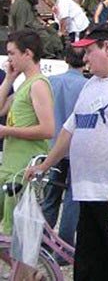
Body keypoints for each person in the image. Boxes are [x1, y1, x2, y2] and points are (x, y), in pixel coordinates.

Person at [26, 23, 108, 280]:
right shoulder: (92, 84)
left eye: (88, 51)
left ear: (107, 47)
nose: (84, 59)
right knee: (89, 271)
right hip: (89, 195)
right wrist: (45, 165)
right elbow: (70, 130)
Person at [0, 30, 55, 234]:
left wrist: (7, 130)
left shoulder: (38, 84)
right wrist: (9, 79)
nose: (9, 59)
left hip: (24, 167)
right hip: (10, 166)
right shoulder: (24, 84)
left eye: (12, 53)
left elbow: (48, 129)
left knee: (14, 233)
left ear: (28, 53)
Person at [40, 45, 88, 250]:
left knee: (50, 197)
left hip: (53, 148)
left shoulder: (51, 82)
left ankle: (43, 243)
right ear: (85, 60)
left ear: (66, 59)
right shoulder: (87, 86)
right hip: (77, 148)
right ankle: (65, 247)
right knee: (72, 200)